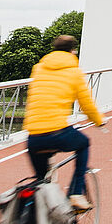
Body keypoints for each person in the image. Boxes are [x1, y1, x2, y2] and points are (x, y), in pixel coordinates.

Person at [24, 35, 106, 211]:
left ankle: (41, 220)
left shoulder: (38, 68)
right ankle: (76, 194)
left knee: (41, 182)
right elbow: (86, 104)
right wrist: (99, 121)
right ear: (72, 51)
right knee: (84, 143)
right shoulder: (74, 71)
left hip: (33, 137)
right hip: (57, 132)